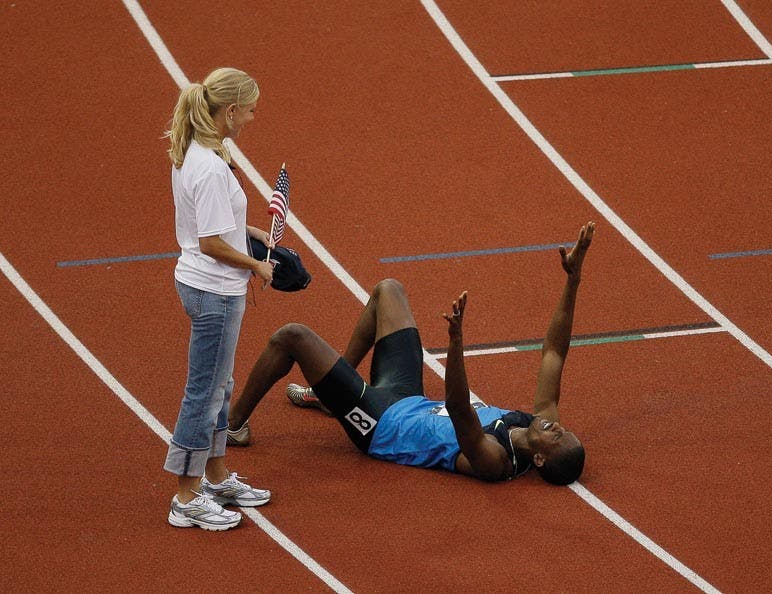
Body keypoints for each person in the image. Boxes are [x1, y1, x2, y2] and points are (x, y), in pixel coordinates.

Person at [227, 222, 595, 484]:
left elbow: (459, 406)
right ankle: (327, 397)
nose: (558, 426)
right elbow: (553, 354)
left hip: (380, 426)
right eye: (565, 429)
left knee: (292, 336)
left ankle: (233, 425)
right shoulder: (534, 421)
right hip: (407, 398)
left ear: (541, 458)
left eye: (558, 437)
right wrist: (573, 279)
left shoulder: (494, 460)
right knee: (389, 290)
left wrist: (454, 343)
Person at [163, 67, 274, 531]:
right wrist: (256, 264)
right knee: (205, 394)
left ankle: (215, 475)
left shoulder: (203, 149)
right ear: (230, 111)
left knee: (220, 387)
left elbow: (209, 224)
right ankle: (186, 497)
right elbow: (209, 241)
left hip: (210, 286)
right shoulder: (209, 166)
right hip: (214, 290)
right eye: (249, 110)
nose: (252, 118)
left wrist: (245, 231)